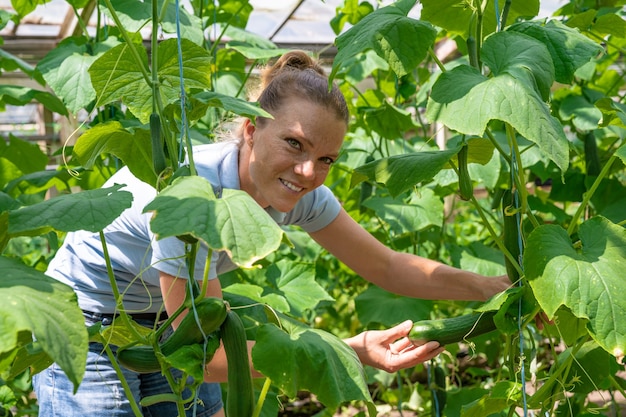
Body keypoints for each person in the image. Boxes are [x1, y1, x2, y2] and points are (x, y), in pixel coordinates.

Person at [33, 50, 511, 416]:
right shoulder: (189, 195)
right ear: (250, 129)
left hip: (164, 317)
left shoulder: (303, 195)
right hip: (84, 322)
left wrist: (493, 289)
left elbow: (385, 265)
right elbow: (208, 354)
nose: (308, 171)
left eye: (326, 158)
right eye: (294, 143)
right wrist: (348, 353)